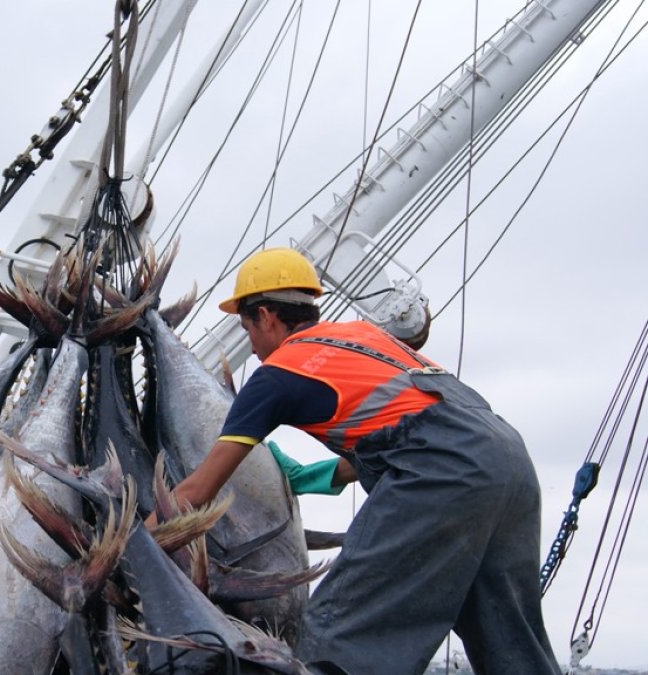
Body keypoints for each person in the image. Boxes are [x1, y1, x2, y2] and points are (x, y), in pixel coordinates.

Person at [171, 248, 559, 674]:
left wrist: (134, 548)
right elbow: (408, 434)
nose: (253, 345)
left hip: (443, 472)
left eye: (248, 329)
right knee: (509, 640)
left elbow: (196, 491)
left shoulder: (276, 374)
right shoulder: (363, 337)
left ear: (265, 315)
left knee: (339, 639)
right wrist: (309, 478)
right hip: (508, 458)